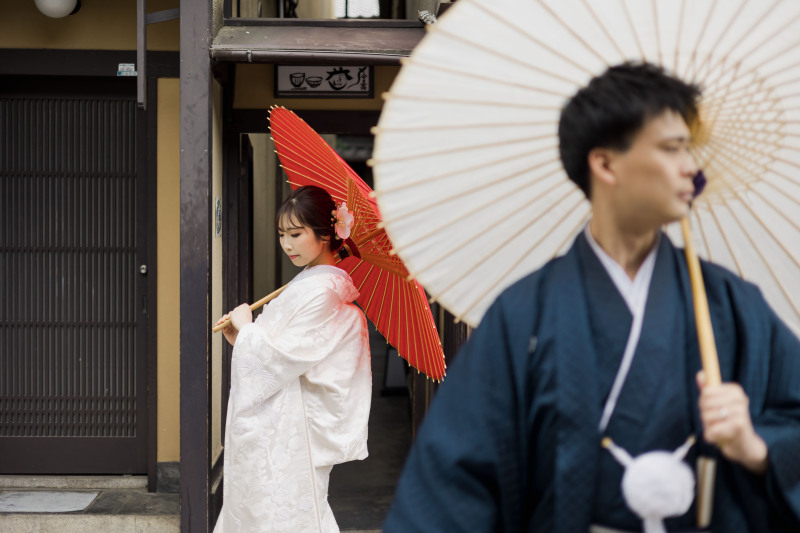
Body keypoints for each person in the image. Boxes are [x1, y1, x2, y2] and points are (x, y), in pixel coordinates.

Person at [382, 63, 800, 532]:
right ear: (605, 164)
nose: (691, 167)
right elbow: (454, 480)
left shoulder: (730, 303)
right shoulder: (523, 314)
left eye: (689, 149)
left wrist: (757, 446)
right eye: (671, 148)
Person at [213, 185, 371, 533]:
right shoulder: (309, 284)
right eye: (282, 234)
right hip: (277, 421)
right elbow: (279, 352)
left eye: (296, 234)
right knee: (261, 510)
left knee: (285, 515)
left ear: (327, 233)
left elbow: (284, 357)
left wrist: (248, 331)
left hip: (293, 426)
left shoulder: (324, 292)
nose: (287, 244)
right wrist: (241, 337)